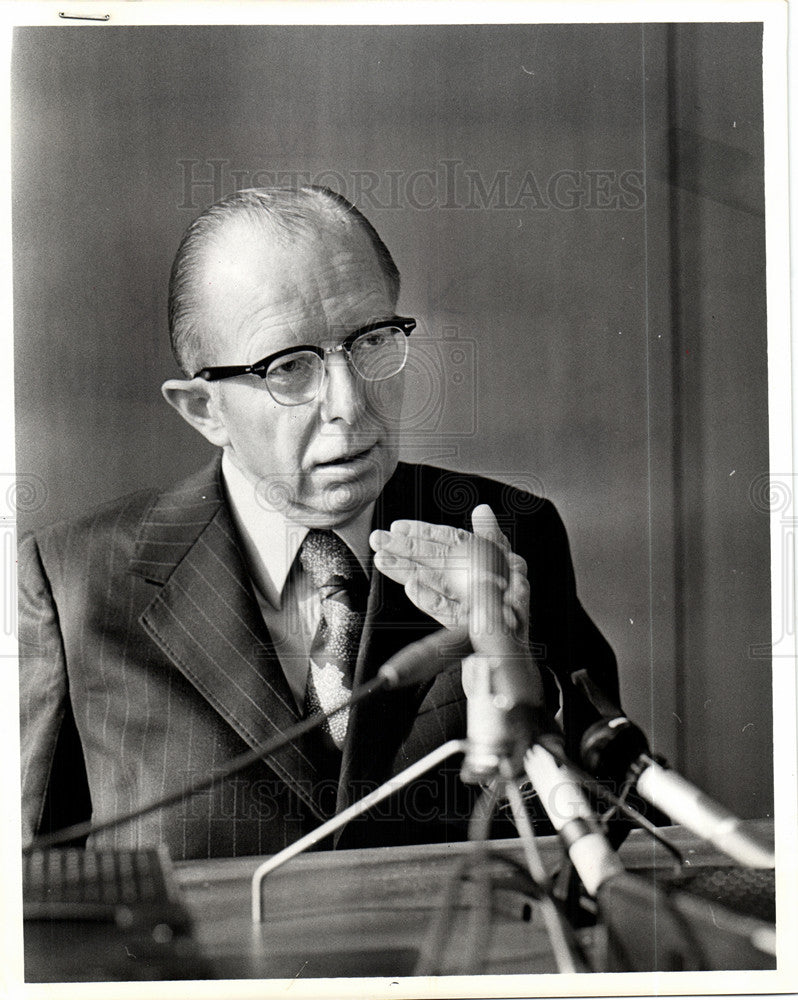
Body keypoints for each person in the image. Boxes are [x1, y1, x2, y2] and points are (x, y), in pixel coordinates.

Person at [18, 186, 620, 860]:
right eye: (291, 367)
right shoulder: (75, 582)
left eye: (371, 341)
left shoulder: (508, 531)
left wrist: (516, 667)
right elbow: (27, 898)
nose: (350, 403)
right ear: (202, 409)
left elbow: (610, 833)